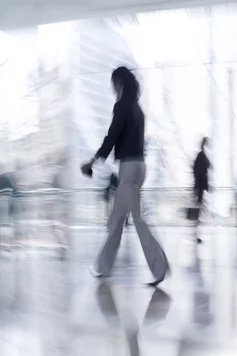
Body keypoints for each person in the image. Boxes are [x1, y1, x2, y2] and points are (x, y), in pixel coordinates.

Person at [81, 66, 169, 285]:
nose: (112, 87)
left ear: (119, 82)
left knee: (138, 218)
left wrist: (93, 161)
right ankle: (102, 266)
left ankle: (160, 268)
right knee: (116, 219)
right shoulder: (137, 109)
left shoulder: (121, 106)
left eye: (113, 82)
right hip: (138, 166)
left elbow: (112, 135)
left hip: (129, 168)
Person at [192, 137, 210, 242]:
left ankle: (196, 233)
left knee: (199, 208)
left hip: (200, 186)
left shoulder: (202, 155)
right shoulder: (201, 155)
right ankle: (196, 233)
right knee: (199, 208)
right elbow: (199, 170)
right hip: (200, 186)